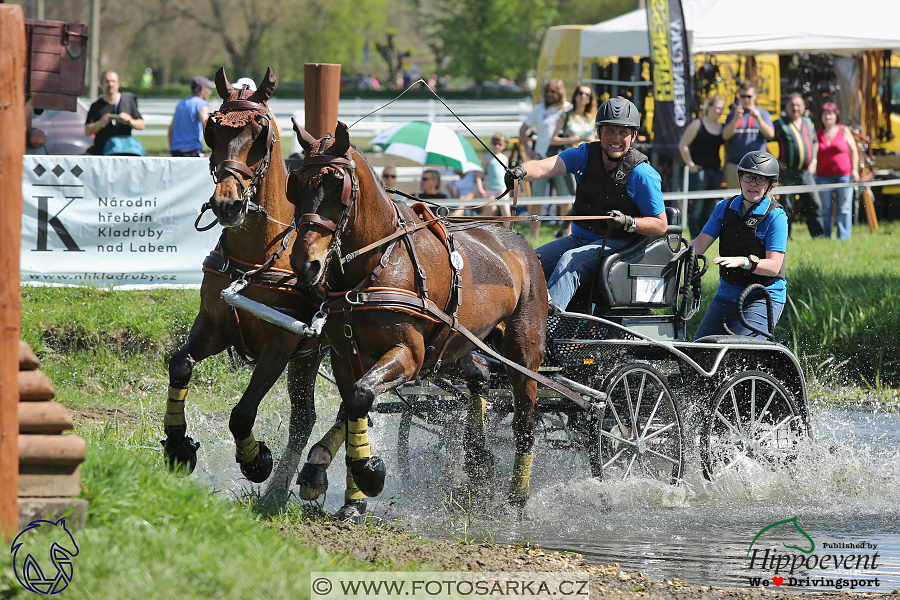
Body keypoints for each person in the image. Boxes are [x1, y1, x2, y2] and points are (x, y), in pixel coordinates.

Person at [505, 97, 667, 314]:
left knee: (570, 262)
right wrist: (521, 172)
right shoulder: (583, 155)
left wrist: (629, 222)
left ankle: (549, 331)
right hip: (579, 238)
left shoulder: (642, 174)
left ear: (634, 136)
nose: (616, 139)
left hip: (621, 245)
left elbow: (660, 225)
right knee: (528, 260)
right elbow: (544, 167)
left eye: (623, 133)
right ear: (599, 133)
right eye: (610, 131)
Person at [690, 151, 788, 338]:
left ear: (769, 185)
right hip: (727, 294)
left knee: (741, 350)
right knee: (701, 349)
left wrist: (744, 262)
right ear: (740, 178)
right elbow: (699, 245)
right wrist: (672, 253)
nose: (753, 183)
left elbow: (774, 267)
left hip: (763, 296)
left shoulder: (776, 216)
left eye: (760, 179)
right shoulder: (723, 208)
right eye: (748, 177)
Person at [519, 79, 572, 238]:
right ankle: (534, 234)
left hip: (562, 159)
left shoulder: (568, 108)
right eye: (548, 91)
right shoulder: (539, 108)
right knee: (537, 198)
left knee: (565, 199)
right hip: (541, 159)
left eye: (554, 91)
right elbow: (523, 130)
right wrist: (529, 151)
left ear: (560, 92)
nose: (551, 94)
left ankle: (566, 233)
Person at [771, 93, 825, 238]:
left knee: (814, 204)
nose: (795, 108)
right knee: (786, 206)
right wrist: (775, 160)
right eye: (792, 105)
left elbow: (815, 142)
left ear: (803, 107)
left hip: (806, 172)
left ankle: (818, 235)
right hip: (788, 172)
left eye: (798, 105)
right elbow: (764, 140)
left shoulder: (808, 122)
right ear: (786, 107)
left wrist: (814, 161)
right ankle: (785, 237)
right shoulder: (779, 124)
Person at [551, 85, 598, 237]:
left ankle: (564, 230)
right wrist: (578, 138)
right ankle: (567, 230)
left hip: (588, 161)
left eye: (587, 94)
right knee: (576, 196)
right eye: (581, 93)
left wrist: (593, 140)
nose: (584, 96)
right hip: (570, 161)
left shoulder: (590, 117)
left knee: (581, 196)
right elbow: (554, 139)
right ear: (575, 95)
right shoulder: (566, 116)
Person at [678, 94, 726, 238]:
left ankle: (705, 237)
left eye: (722, 109)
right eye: (717, 108)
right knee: (697, 207)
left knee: (711, 207)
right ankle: (694, 237)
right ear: (709, 107)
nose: (720, 111)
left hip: (716, 172)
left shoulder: (722, 128)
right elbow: (683, 144)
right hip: (699, 172)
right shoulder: (697, 124)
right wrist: (691, 164)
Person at [815, 102, 860, 240]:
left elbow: (854, 151)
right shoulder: (818, 133)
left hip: (844, 175)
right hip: (823, 176)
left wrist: (855, 169)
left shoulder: (843, 130)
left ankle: (844, 237)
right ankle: (826, 236)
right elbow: (814, 154)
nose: (828, 116)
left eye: (830, 113)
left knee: (844, 209)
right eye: (825, 114)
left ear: (836, 116)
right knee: (825, 208)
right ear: (821, 117)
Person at [722, 81, 774, 189]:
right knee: (735, 200)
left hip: (758, 165)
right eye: (743, 96)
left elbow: (770, 134)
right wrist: (735, 119)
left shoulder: (763, 113)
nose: (746, 99)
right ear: (739, 97)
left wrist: (759, 119)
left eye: (749, 96)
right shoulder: (733, 114)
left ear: (755, 96)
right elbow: (725, 136)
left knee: (757, 199)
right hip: (736, 164)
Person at [84, 71, 145, 155]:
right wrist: (100, 123)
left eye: (113, 81)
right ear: (101, 84)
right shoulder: (96, 106)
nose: (110, 84)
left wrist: (130, 121)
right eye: (107, 81)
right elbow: (87, 131)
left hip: (124, 150)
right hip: (102, 151)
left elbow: (141, 125)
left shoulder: (127, 101)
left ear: (118, 84)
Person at [168, 76, 214, 157]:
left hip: (176, 150)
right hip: (192, 150)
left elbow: (171, 130)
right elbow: (207, 125)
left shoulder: (181, 104)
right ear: (202, 90)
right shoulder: (201, 104)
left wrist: (173, 148)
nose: (210, 92)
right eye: (208, 89)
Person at [482, 133, 512, 226]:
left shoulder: (505, 158)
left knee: (506, 211)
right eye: (495, 143)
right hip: (490, 188)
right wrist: (481, 186)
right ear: (491, 143)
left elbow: (506, 174)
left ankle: (509, 231)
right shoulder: (487, 157)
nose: (497, 146)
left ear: (504, 145)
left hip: (502, 188)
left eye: (500, 144)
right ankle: (483, 228)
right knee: (490, 209)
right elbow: (482, 172)